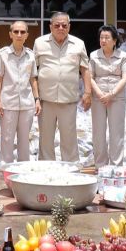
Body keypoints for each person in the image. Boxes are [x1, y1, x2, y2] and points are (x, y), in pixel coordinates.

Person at [33, 12, 91, 162]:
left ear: (69, 27)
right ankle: (46, 169)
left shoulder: (78, 44)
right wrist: (35, 97)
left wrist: (88, 92)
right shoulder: (40, 43)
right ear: (50, 26)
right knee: (45, 137)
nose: (60, 28)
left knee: (69, 137)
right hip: (46, 99)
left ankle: (71, 169)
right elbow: (32, 71)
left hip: (68, 99)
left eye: (64, 25)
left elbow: (85, 69)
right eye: (57, 25)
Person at [0, 21, 40, 165]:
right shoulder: (2, 54)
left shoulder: (31, 55)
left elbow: (33, 79)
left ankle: (23, 169)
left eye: (22, 32)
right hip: (8, 102)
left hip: (27, 103)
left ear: (27, 35)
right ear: (10, 34)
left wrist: (37, 99)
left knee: (24, 139)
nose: (19, 35)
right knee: (7, 139)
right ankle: (6, 169)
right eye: (16, 32)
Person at [89, 25, 126, 167]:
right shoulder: (94, 55)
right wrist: (101, 94)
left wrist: (111, 94)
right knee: (98, 132)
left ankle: (116, 166)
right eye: (101, 37)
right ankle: (100, 165)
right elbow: (90, 77)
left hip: (116, 97)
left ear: (114, 41)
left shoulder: (123, 56)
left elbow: (125, 78)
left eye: (107, 38)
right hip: (98, 97)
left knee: (116, 132)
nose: (103, 40)